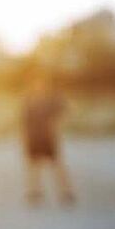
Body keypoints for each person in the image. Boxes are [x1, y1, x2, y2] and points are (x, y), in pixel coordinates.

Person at [22, 70, 75, 206]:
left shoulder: (54, 97)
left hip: (48, 138)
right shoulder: (29, 98)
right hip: (34, 137)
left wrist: (56, 123)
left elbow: (65, 112)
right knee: (34, 166)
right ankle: (34, 192)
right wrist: (25, 137)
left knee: (57, 165)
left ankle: (66, 192)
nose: (38, 84)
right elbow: (24, 120)